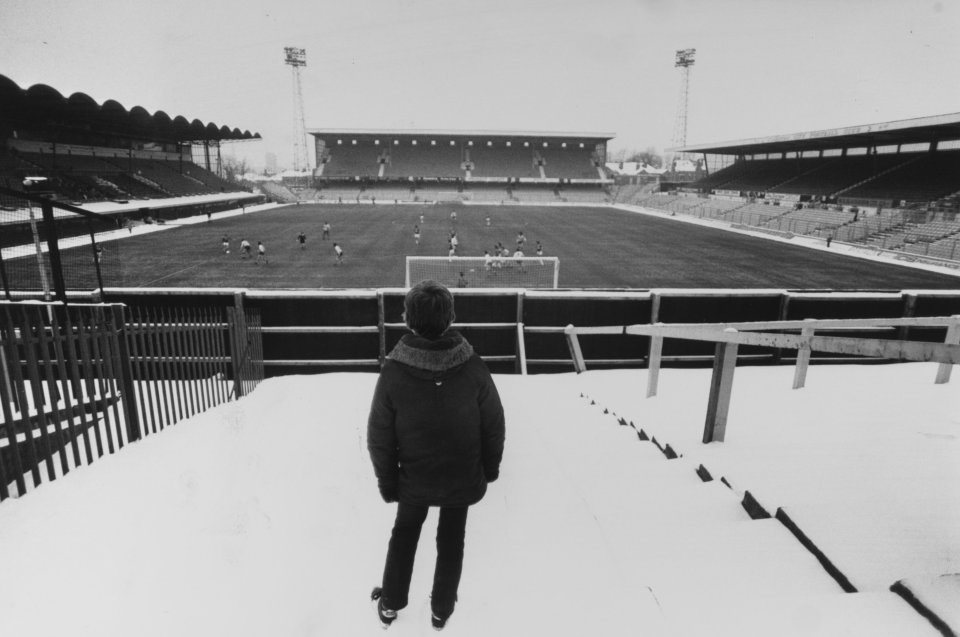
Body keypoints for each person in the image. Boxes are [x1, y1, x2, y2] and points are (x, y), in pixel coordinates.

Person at [367, 280, 505, 630]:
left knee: (405, 533)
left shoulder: (394, 372)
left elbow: (379, 436)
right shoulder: (474, 367)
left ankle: (391, 604)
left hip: (414, 481)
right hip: (461, 478)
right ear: (451, 317)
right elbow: (494, 425)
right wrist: (488, 470)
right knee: (452, 537)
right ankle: (441, 609)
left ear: (408, 320)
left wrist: (389, 482)